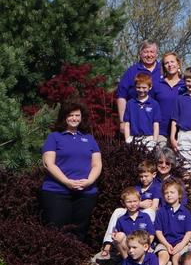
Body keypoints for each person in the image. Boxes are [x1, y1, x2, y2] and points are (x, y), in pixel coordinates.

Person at [40, 101, 102, 243]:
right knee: (57, 231)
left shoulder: (89, 138)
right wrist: (67, 182)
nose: (74, 118)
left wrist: (89, 181)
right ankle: (57, 262)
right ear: (64, 117)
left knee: (79, 231)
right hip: (57, 191)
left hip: (85, 192)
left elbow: (97, 164)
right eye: (70, 115)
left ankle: (75, 260)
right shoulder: (54, 137)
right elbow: (48, 163)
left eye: (77, 115)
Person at [116, 40, 162, 130]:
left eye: (152, 52)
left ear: (157, 54)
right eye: (146, 52)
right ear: (140, 54)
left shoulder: (163, 70)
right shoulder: (131, 71)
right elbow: (121, 96)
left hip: (159, 123)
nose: (149, 55)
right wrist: (122, 121)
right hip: (136, 124)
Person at [154, 177, 191, 265]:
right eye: (166, 193)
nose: (169, 195)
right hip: (165, 242)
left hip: (180, 242)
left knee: (177, 257)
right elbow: (158, 231)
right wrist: (166, 244)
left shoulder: (185, 212)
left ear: (179, 194)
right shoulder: (161, 212)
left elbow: (189, 232)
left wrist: (181, 245)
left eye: (172, 192)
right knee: (162, 256)